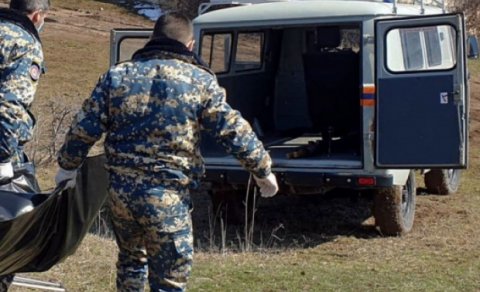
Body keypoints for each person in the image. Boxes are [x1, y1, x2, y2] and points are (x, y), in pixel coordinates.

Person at [55, 12, 279, 291]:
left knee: (131, 264)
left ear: (152, 39)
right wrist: (262, 170)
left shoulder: (117, 75)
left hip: (121, 196)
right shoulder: (198, 80)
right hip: (166, 196)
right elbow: (233, 130)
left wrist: (67, 166)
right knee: (170, 280)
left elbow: (83, 127)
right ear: (190, 45)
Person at [0, 0, 49, 291]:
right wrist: (3, 156)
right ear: (37, 15)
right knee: (8, 239)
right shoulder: (23, 42)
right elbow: (10, 105)